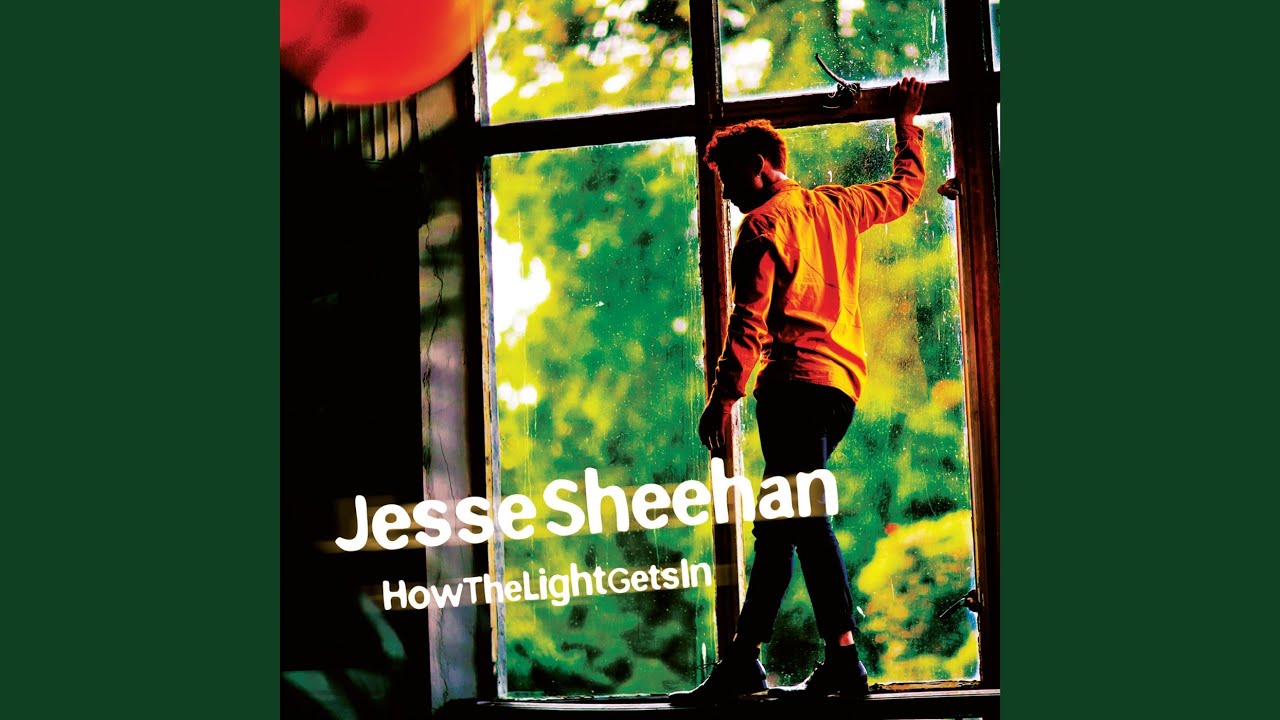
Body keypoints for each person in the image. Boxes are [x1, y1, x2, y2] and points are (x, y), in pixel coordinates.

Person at [669, 76, 927, 704]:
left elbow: (748, 322)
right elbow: (904, 191)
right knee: (780, 526)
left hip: (792, 388)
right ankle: (744, 661)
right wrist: (907, 124)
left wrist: (723, 398)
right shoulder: (836, 207)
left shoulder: (762, 227)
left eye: (728, 178)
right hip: (840, 389)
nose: (726, 194)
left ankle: (842, 660)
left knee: (803, 521)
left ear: (759, 165)